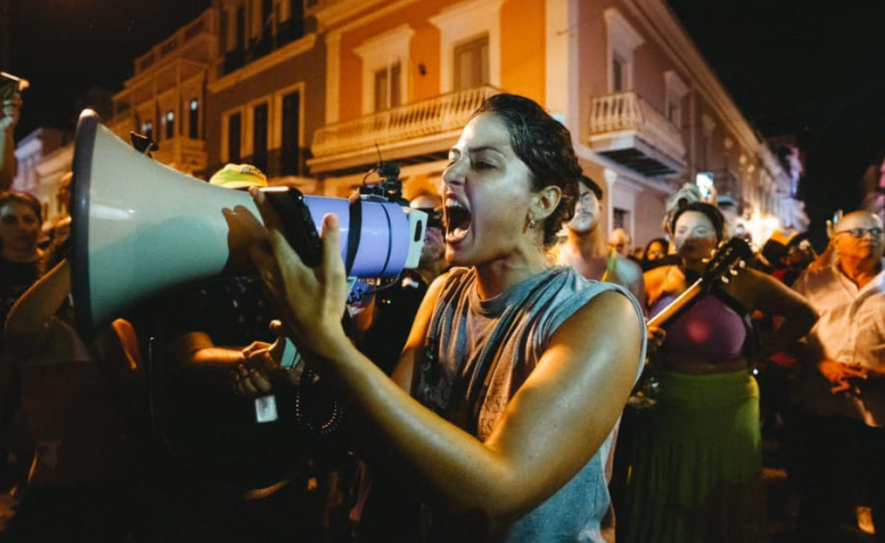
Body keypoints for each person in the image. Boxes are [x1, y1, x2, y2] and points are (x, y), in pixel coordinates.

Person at [248, 93, 646, 542]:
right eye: (453, 160)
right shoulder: (444, 294)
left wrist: (330, 347)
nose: (451, 175)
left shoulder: (601, 314)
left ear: (543, 202)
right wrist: (312, 370)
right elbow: (384, 437)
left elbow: (495, 496)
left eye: (484, 164)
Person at [622, 202, 817, 543]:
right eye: (681, 231)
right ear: (670, 237)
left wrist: (764, 350)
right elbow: (624, 331)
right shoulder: (653, 282)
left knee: (722, 490)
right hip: (668, 405)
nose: (689, 238)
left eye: (700, 231)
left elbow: (804, 313)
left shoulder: (745, 281)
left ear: (719, 237)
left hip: (729, 405)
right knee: (668, 488)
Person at [3, 249, 146, 542]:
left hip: (116, 492)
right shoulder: (53, 332)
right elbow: (18, 326)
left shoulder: (122, 327)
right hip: (61, 498)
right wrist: (83, 248)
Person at [787, 210, 885, 542]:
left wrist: (877, 374)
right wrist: (822, 363)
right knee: (818, 502)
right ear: (836, 241)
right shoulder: (814, 282)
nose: (869, 237)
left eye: (876, 231)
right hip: (819, 406)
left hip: (877, 413)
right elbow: (793, 334)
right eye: (858, 231)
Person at [554, 175, 646, 304]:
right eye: (572, 201)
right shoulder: (547, 263)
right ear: (562, 214)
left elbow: (639, 321)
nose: (581, 206)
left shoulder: (629, 272)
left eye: (586, 198)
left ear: (600, 208)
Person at [0, 191, 44, 349]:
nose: (21, 227)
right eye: (10, 220)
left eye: (28, 219)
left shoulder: (54, 266)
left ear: (40, 223)